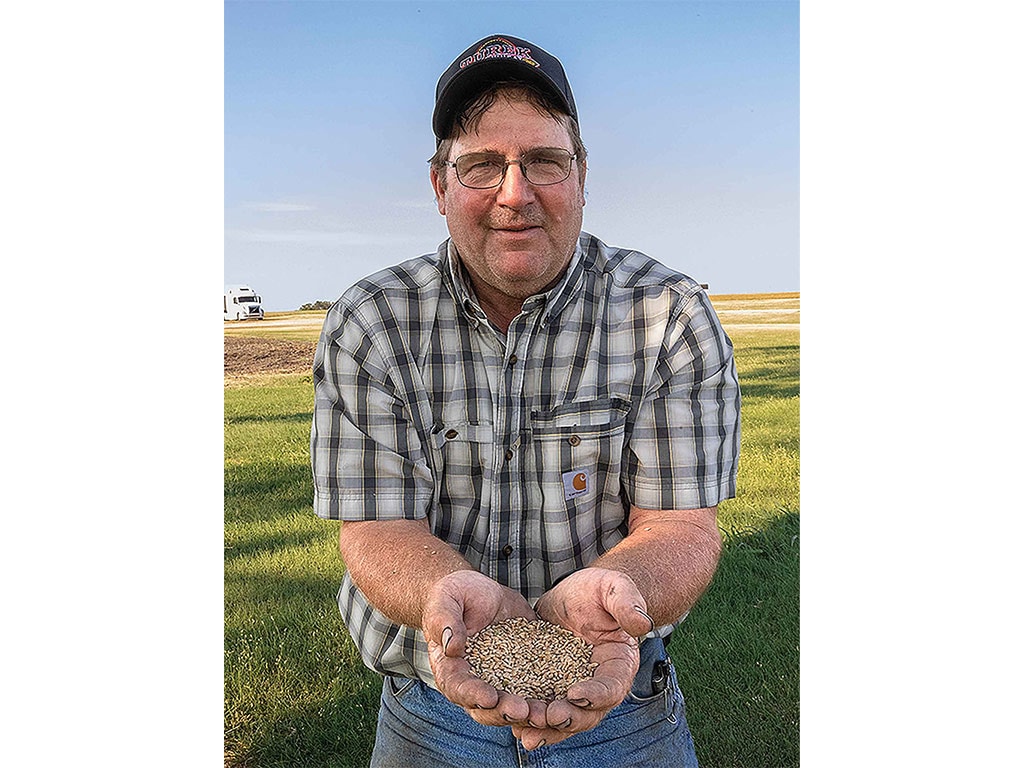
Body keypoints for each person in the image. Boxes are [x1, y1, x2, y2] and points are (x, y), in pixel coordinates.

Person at [311, 33, 740, 768]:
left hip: (624, 711)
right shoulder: (372, 321)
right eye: (481, 165)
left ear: (581, 175)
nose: (517, 193)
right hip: (429, 712)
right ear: (440, 186)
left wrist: (622, 588)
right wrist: (444, 590)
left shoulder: (668, 313)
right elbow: (375, 530)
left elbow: (682, 526)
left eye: (544, 160)